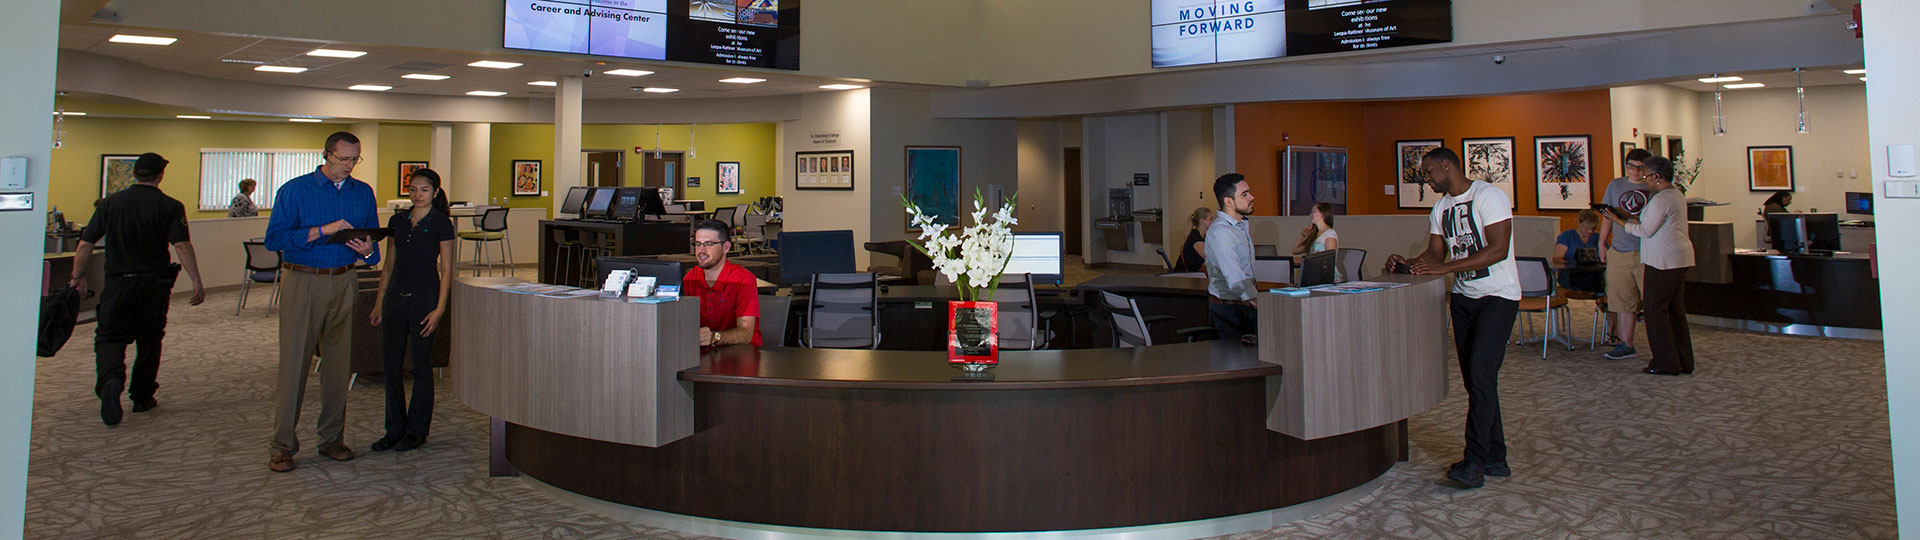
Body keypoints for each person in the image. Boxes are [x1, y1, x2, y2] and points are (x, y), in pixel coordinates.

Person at [1383, 147, 1519, 489]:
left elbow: (1498, 249)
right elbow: (1434, 253)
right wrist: (1409, 264)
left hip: (1498, 297)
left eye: (1429, 172)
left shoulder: (1490, 197)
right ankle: (1496, 457)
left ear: (1447, 165)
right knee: (1477, 381)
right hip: (1464, 299)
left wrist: (1445, 269)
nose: (1426, 178)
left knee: (1482, 377)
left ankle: (1474, 463)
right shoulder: (1441, 208)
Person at [263, 131, 381, 472]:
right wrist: (321, 230)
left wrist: (368, 250)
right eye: (342, 159)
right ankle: (282, 445)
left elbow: (371, 242)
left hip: (345, 279)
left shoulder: (363, 193)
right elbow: (275, 239)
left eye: (354, 160)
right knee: (295, 363)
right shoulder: (296, 190)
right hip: (303, 280)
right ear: (326, 155)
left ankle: (332, 438)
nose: (348, 166)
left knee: (339, 364)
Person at [66, 152, 207, 426]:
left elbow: (85, 244)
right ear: (160, 175)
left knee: (109, 337)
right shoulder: (170, 206)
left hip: (118, 283)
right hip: (154, 285)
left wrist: (76, 277)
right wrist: (196, 281)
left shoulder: (110, 204)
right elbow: (181, 245)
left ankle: (111, 381)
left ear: (135, 174)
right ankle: (142, 396)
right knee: (150, 339)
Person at [369, 168, 454, 453]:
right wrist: (380, 301)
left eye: (425, 190)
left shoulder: (441, 223)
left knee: (420, 367)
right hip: (395, 299)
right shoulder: (397, 221)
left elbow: (447, 269)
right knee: (391, 367)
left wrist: (440, 309)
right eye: (414, 189)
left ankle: (417, 431)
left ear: (435, 193)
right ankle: (393, 430)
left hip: (425, 300)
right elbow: (389, 265)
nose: (418, 195)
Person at [1604, 156, 1697, 376]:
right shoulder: (1675, 195)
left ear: (1658, 177)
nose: (1644, 180)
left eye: (1646, 176)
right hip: (1676, 258)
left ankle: (1665, 361)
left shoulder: (1662, 199)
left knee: (1656, 311)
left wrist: (1619, 222)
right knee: (1674, 310)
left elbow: (1646, 231)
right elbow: (1650, 223)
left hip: (1662, 260)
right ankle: (1682, 360)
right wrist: (1625, 216)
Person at [1598, 149, 1653, 360]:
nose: (1635, 171)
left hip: (1646, 251)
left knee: (1651, 301)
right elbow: (1607, 217)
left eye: (1640, 168)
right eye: (1631, 166)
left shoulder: (1652, 188)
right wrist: (1602, 242)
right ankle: (1626, 343)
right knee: (1622, 300)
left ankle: (1658, 344)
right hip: (1619, 250)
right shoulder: (1615, 185)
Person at [684, 219, 762, 347]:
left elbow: (746, 333)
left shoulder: (743, 279)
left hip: (742, 355)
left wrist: (714, 337)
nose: (701, 250)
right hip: (703, 354)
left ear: (725, 247)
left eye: (708, 244)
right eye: (698, 244)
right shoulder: (690, 277)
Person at [1203, 173, 1258, 341]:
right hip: (1230, 310)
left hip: (1241, 306)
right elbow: (1234, 276)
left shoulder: (1238, 227)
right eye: (1244, 194)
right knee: (1237, 361)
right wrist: (1258, 302)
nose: (1251, 197)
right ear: (1228, 201)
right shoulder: (1222, 232)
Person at [1554, 210, 1605, 293]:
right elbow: (1557, 259)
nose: (1590, 231)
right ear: (1579, 223)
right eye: (1586, 228)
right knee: (1595, 283)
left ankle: (1603, 301)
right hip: (1571, 274)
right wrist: (1572, 264)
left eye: (1593, 228)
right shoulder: (1567, 236)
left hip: (1593, 273)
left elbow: (1606, 256)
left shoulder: (1597, 238)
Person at [1292, 202, 1341, 281]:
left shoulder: (1329, 234)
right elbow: (1295, 250)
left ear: (1323, 214)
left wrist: (1307, 260)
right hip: (1313, 274)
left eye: (1314, 212)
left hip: (1325, 277)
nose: (1310, 215)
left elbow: (1329, 260)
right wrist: (1303, 235)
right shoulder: (1314, 234)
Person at [1174, 208, 1212, 272]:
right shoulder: (1196, 239)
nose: (1213, 222)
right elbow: (1210, 258)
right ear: (1202, 220)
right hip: (1184, 276)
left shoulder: (1201, 236)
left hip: (1191, 273)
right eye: (1210, 219)